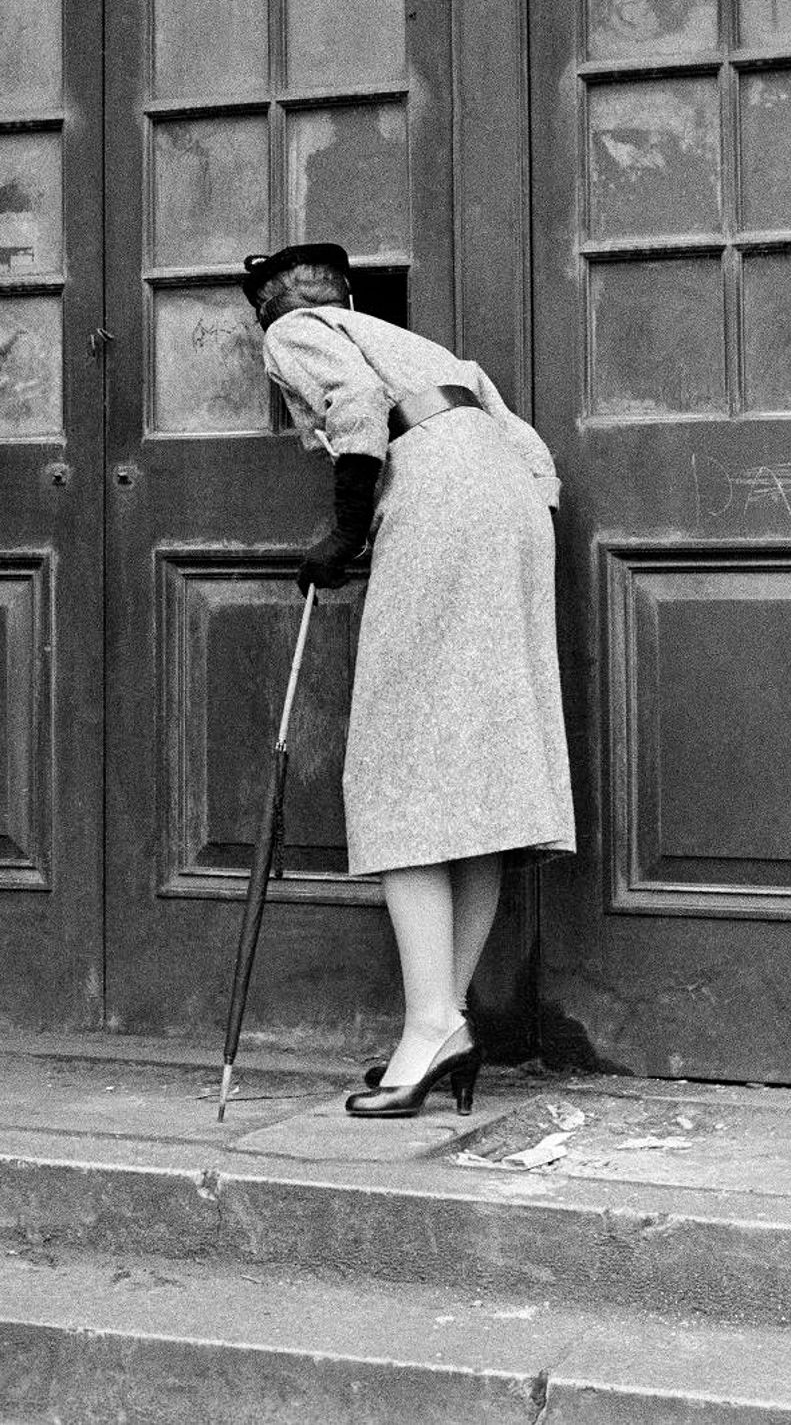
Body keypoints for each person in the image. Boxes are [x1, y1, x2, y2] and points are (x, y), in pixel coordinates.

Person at [240, 243, 576, 1119]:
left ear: (274, 302)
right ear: (347, 292)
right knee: (474, 777)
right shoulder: (414, 345)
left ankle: (430, 1022)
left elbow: (351, 408)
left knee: (399, 765)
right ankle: (443, 1026)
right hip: (510, 511)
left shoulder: (296, 332)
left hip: (441, 509)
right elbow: (530, 451)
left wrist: (347, 532)